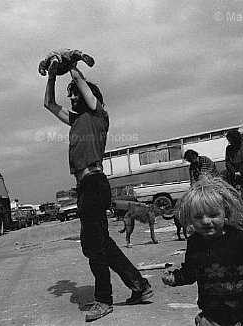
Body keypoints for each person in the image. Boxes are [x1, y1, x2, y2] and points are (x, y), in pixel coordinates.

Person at [43, 60, 153, 322]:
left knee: (93, 245)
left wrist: (71, 66)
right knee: (102, 242)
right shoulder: (76, 120)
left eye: (74, 93)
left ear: (86, 96)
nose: (70, 96)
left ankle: (104, 300)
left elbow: (84, 87)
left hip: (94, 183)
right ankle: (139, 285)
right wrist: (50, 77)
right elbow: (48, 104)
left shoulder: (98, 115)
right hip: (86, 186)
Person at [161, 177, 243, 326]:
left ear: (225, 214)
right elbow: (190, 272)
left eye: (213, 215)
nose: (206, 221)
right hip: (212, 316)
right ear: (190, 219)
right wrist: (175, 278)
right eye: (198, 217)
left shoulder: (240, 239)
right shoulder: (194, 243)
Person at [225, 129, 243, 226]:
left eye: (231, 139)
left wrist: (240, 172)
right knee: (239, 198)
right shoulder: (229, 149)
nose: (229, 141)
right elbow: (227, 162)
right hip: (235, 177)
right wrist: (234, 172)